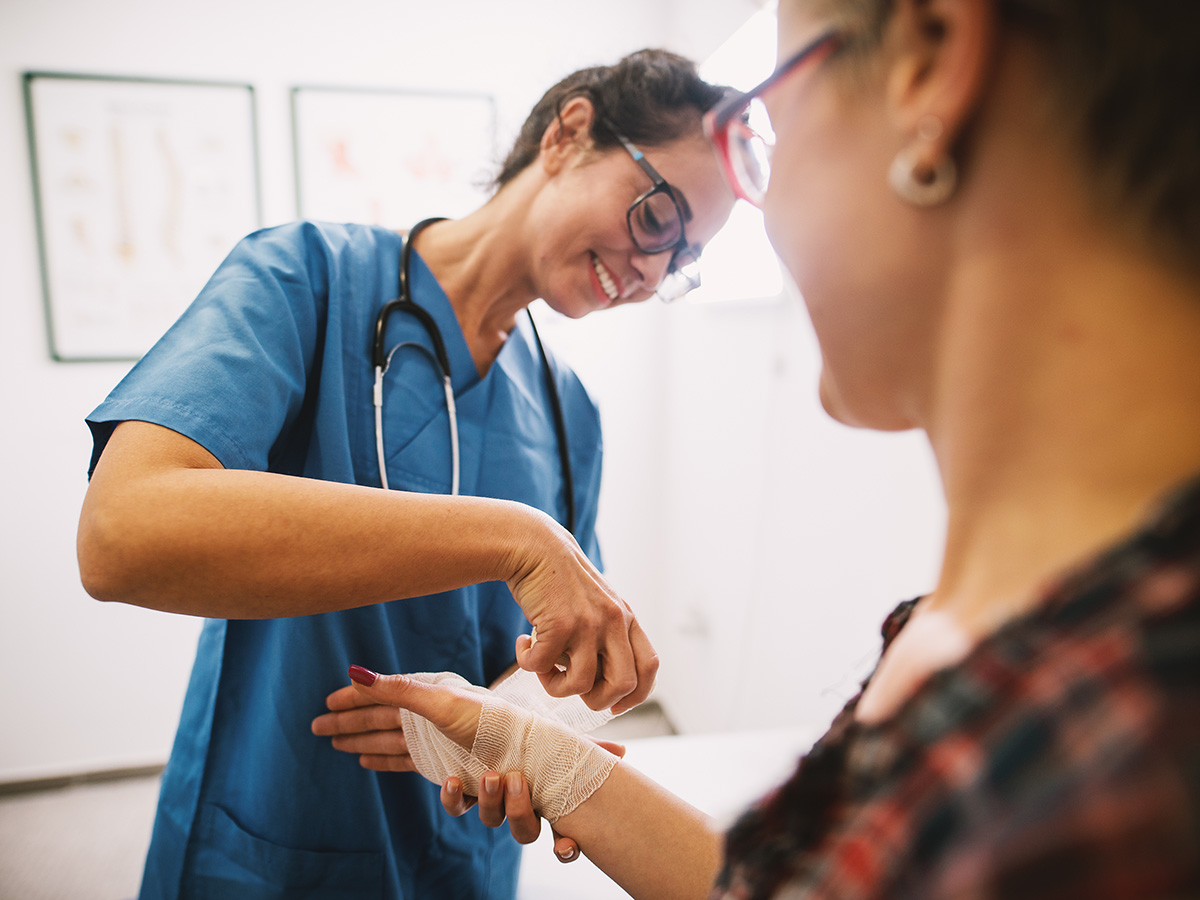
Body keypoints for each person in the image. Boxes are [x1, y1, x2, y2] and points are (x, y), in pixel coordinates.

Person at [319, 0, 1200, 897]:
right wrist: (533, 751)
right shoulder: (989, 648)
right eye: (756, 134)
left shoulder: (1118, 751)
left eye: (772, 122)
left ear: (930, 63)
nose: (767, 209)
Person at [77, 49, 736, 900]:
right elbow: (121, 534)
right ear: (570, 134)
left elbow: (539, 666)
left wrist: (517, 733)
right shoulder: (304, 279)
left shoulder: (571, 413)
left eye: (681, 260)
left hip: (464, 851)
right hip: (275, 837)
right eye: (658, 219)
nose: (652, 270)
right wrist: (515, 538)